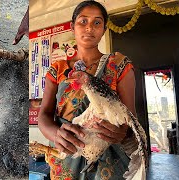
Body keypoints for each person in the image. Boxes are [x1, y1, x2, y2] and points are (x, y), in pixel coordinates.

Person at [38, 1, 139, 179]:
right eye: (83, 21)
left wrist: (122, 132)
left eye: (97, 22)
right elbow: (44, 116)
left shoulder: (119, 65)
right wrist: (56, 134)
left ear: (104, 29)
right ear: (72, 26)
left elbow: (131, 120)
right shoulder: (58, 69)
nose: (89, 28)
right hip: (66, 156)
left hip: (110, 161)